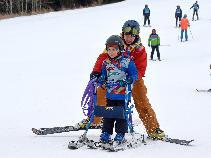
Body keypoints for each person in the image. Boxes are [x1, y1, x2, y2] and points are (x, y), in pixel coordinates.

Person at [78, 20, 165, 139]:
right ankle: (94, 120)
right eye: (127, 35)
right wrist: (96, 72)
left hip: (132, 79)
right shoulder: (114, 43)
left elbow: (141, 68)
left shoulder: (140, 50)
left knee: (142, 101)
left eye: (132, 36)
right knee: (100, 94)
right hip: (112, 78)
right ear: (123, 33)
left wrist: (131, 79)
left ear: (137, 35)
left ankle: (153, 128)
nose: (129, 38)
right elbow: (102, 58)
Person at [97, 35, 138, 143]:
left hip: (122, 94)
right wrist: (101, 80)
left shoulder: (127, 61)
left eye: (114, 49)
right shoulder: (106, 63)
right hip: (110, 93)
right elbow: (103, 76)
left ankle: (120, 133)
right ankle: (106, 132)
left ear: (120, 49)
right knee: (108, 114)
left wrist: (129, 80)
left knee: (121, 114)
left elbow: (134, 74)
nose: (111, 52)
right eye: (109, 49)